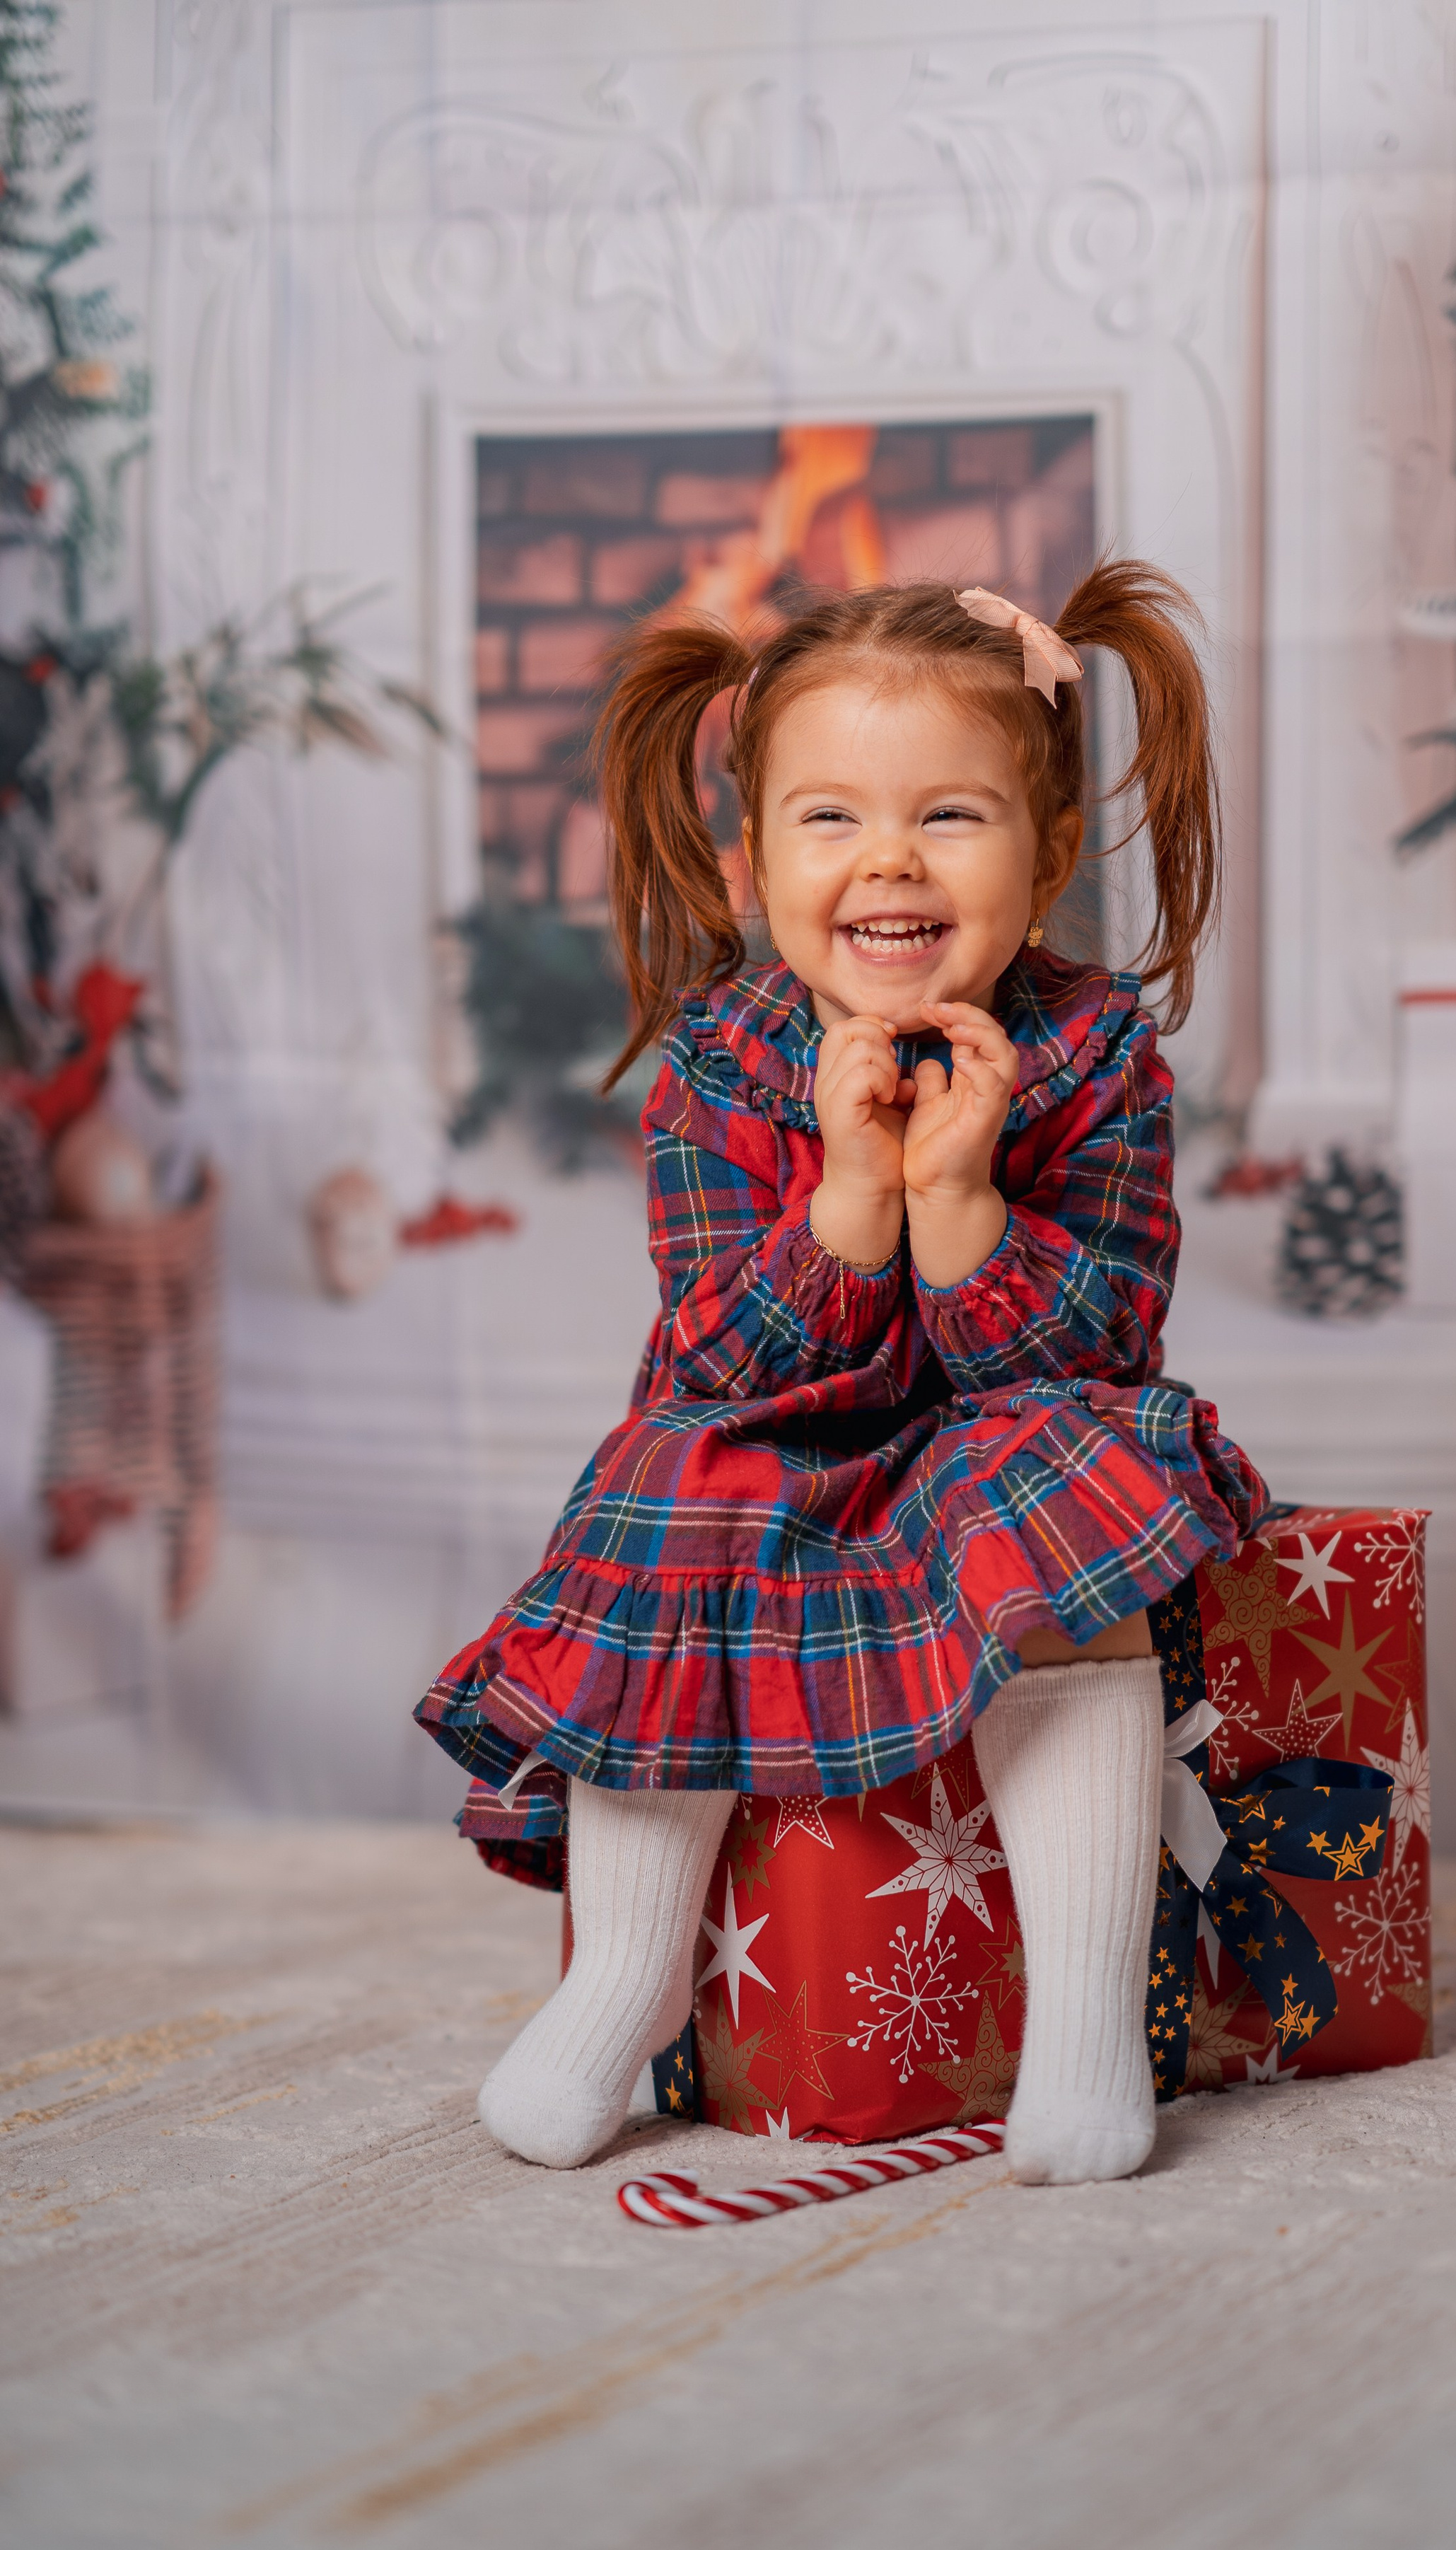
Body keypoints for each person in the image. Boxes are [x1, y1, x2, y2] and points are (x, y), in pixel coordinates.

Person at [415, 562, 1266, 2186]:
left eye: (949, 816)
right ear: (751, 862)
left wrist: (956, 1197)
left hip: (985, 1434)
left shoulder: (1090, 1056)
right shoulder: (727, 1064)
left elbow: (1094, 1345)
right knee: (667, 1482)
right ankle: (627, 1976)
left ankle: (1082, 2012)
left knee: (1060, 1479)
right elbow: (717, 1361)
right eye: (829, 822)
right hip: (781, 1445)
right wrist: (849, 1199)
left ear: (1050, 851)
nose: (887, 861)